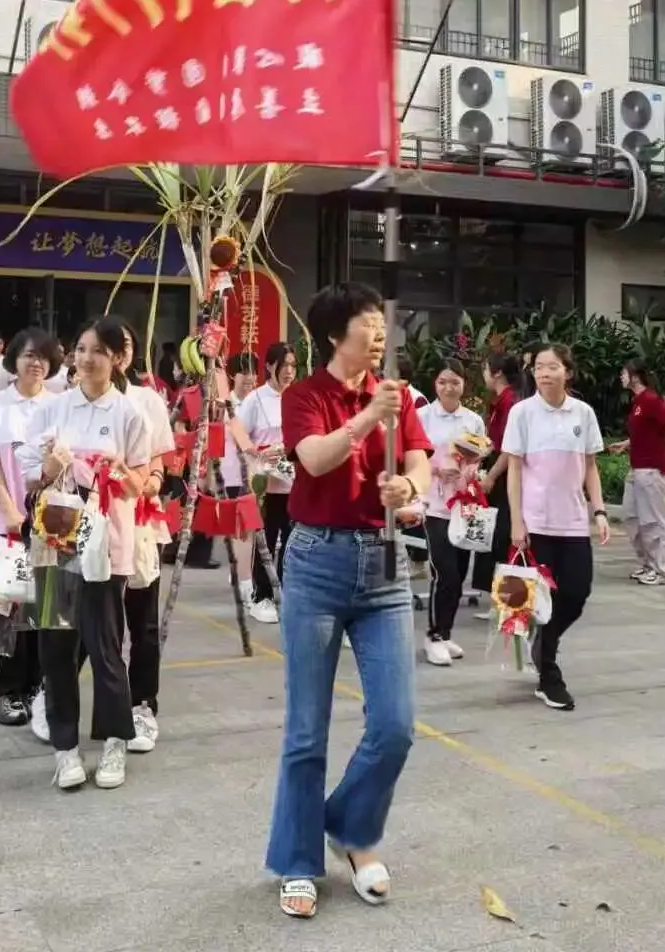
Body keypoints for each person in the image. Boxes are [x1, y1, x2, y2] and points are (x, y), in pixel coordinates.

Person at [266, 282, 432, 920]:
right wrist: (368, 417)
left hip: (386, 566)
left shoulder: (399, 397)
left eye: (381, 323)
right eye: (368, 322)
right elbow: (313, 459)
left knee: (395, 726)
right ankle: (299, 861)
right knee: (307, 730)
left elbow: (419, 464)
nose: (380, 333)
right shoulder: (304, 396)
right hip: (316, 563)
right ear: (337, 334)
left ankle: (349, 827)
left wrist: (407, 490)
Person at [19, 316, 150, 792]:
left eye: (99, 350)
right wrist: (49, 467)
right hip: (56, 544)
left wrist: (118, 471)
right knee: (55, 646)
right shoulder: (54, 409)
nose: (87, 357)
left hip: (105, 546)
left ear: (117, 359)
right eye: (81, 348)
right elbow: (28, 475)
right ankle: (65, 749)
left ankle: (115, 742)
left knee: (106, 647)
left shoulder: (129, 414)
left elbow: (141, 484)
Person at [502, 344, 609, 713]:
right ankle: (549, 674)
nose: (544, 373)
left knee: (578, 593)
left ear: (568, 372)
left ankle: (543, 643)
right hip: (535, 523)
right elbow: (514, 471)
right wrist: (517, 521)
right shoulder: (522, 413)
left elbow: (591, 467)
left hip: (574, 522)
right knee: (538, 601)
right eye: (539, 367)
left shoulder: (583, 413)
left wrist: (599, 511)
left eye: (552, 367)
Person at [0, 328, 57, 740]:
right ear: (14, 361)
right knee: (11, 609)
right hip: (7, 522)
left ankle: (39, 686)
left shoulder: (58, 404)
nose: (34, 362)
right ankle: (7, 690)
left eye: (42, 356)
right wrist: (7, 507)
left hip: (51, 524)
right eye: (27, 355)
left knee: (46, 608)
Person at [115, 320, 176, 756]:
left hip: (137, 521)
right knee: (88, 622)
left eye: (126, 345)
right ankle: (56, 695)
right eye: (106, 345)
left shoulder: (147, 398)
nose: (118, 353)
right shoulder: (74, 401)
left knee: (143, 621)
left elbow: (158, 455)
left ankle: (142, 704)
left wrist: (154, 477)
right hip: (93, 525)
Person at [418, 358, 486, 667]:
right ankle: (432, 636)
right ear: (435, 384)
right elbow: (413, 456)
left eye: (455, 381)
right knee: (443, 571)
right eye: (443, 381)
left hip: (464, 505)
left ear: (464, 384)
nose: (449, 387)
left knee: (458, 574)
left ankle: (445, 633)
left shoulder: (472, 420)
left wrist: (470, 469)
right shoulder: (421, 417)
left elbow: (478, 455)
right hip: (432, 505)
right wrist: (436, 468)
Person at [237, 342, 298, 619]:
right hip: (265, 483)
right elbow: (238, 433)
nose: (289, 371)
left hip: (293, 482)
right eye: (284, 365)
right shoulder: (256, 399)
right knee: (265, 538)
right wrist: (259, 456)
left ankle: (283, 592)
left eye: (293, 366)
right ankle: (259, 596)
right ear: (270, 366)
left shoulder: (298, 397)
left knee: (291, 540)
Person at [609, 360, 665, 586]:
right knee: (632, 517)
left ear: (635, 376)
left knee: (655, 521)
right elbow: (646, 432)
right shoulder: (638, 402)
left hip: (653, 469)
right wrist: (627, 443)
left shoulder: (650, 399)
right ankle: (649, 564)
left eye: (624, 373)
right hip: (638, 468)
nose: (621, 377)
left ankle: (664, 571)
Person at [471, 353, 521, 615]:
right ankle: (500, 599)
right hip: (498, 476)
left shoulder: (511, 403)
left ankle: (507, 602)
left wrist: (490, 476)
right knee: (496, 538)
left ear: (497, 372)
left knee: (503, 539)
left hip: (505, 479)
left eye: (485, 368)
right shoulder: (501, 402)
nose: (484, 374)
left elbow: (508, 449)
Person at [221, 353, 260, 614]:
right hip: (234, 474)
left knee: (254, 530)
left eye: (253, 372)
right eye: (244, 372)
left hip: (260, 476)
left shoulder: (259, 401)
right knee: (242, 530)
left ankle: (244, 574)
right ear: (232, 375)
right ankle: (245, 583)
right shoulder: (226, 404)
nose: (249, 378)